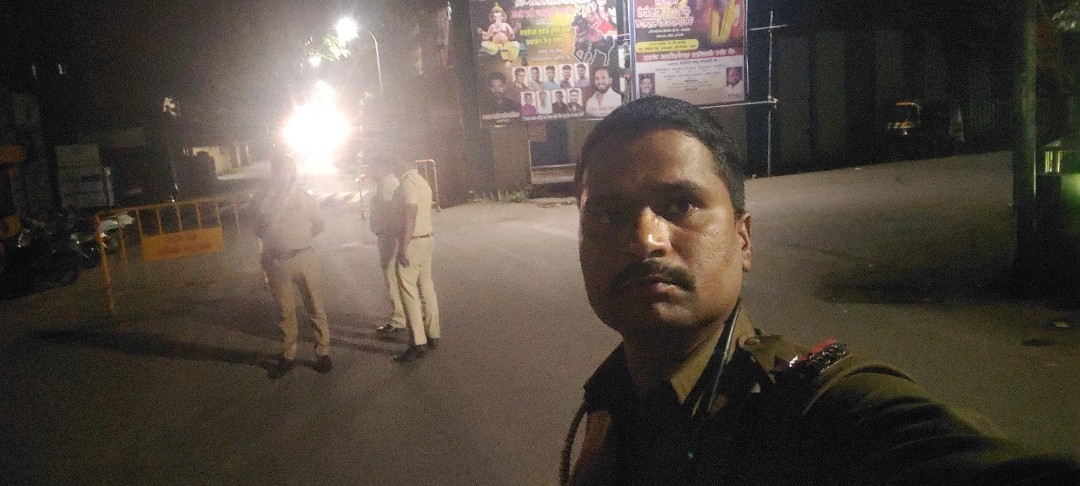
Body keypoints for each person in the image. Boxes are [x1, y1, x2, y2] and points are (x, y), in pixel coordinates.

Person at [561, 96, 1080, 485]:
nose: (646, 240)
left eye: (680, 205)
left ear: (743, 240)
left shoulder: (818, 413)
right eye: (607, 213)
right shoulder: (608, 402)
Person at [253, 153, 332, 379]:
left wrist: (300, 240)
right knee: (285, 312)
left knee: (315, 306)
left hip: (304, 258)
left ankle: (322, 353)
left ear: (293, 172)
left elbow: (319, 224)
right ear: (274, 172)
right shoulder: (261, 199)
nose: (285, 173)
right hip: (276, 261)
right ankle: (288, 355)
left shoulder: (305, 197)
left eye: (289, 169)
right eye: (280, 169)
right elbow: (257, 229)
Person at [391, 158, 441, 362]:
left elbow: (410, 213)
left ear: (402, 162)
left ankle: (417, 342)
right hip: (427, 239)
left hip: (413, 242)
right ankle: (433, 333)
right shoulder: (422, 181)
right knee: (426, 286)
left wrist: (403, 247)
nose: (393, 167)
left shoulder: (407, 182)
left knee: (409, 291)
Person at [369, 158, 407, 337]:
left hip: (389, 238)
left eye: (371, 168)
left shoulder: (386, 186)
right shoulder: (391, 183)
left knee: (391, 278)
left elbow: (389, 214)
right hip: (391, 237)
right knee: (399, 278)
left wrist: (383, 231)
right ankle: (407, 315)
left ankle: (398, 319)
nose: (369, 172)